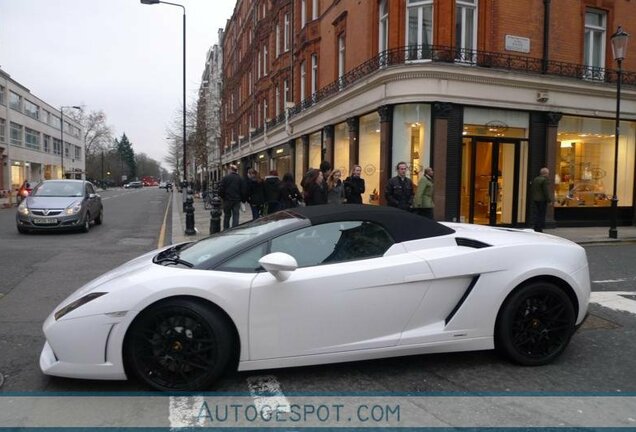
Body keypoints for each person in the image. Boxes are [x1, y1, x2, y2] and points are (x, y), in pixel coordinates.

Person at [218, 164, 246, 229]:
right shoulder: (240, 178)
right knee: (236, 215)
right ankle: (234, 229)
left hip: (227, 200)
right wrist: (243, 199)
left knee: (227, 216)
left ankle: (226, 229)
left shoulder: (225, 178)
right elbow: (243, 190)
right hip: (236, 200)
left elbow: (221, 189)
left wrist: (223, 197)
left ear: (230, 170)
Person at [530, 167, 552, 232]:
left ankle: (535, 227)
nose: (548, 174)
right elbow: (545, 191)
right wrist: (549, 200)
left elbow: (533, 189)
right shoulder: (544, 180)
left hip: (535, 199)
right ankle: (539, 228)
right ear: (545, 173)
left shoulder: (536, 179)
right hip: (542, 200)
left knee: (536, 214)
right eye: (548, 173)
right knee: (541, 214)